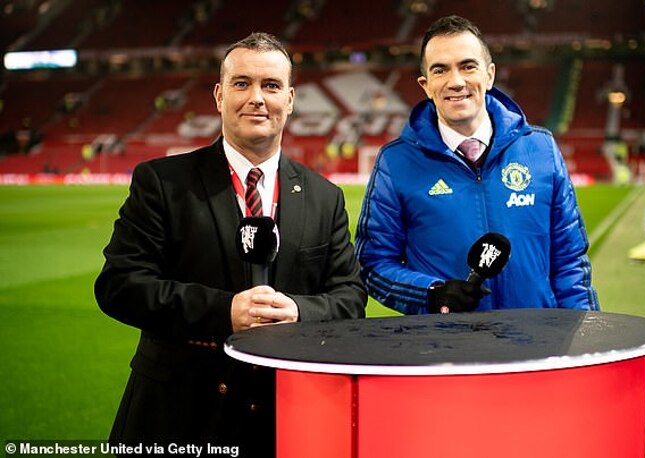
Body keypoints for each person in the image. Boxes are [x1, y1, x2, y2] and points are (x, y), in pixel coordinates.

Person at [95, 32, 367, 457]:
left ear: (290, 99)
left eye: (271, 85)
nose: (257, 98)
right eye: (242, 83)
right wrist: (224, 311)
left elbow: (350, 297)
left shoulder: (324, 196)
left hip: (287, 418)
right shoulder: (163, 183)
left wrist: (299, 311)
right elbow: (119, 286)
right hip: (178, 416)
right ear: (220, 96)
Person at [355, 15, 599, 315]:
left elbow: (570, 262)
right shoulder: (395, 162)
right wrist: (430, 293)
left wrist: (586, 333)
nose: (456, 81)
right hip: (444, 342)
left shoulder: (541, 149)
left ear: (490, 75)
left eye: (468, 66)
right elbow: (372, 264)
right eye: (440, 70)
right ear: (426, 85)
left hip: (537, 338)